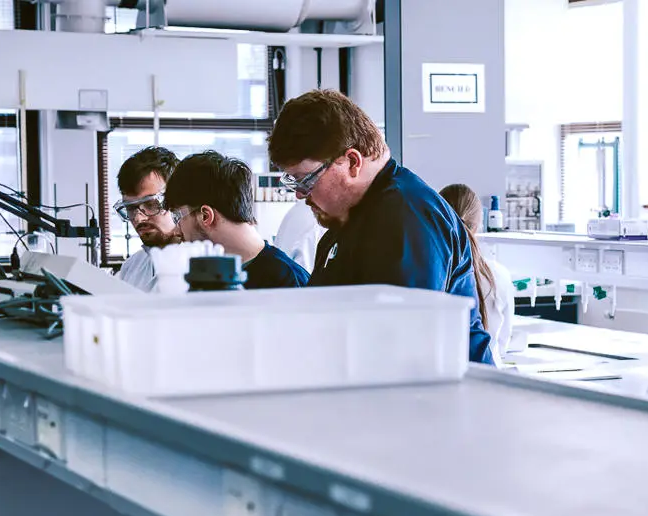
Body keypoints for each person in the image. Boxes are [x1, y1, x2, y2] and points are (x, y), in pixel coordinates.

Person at [267, 89, 493, 364]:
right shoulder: (353, 217)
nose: (300, 194)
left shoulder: (405, 218)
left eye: (305, 179)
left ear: (351, 162)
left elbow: (403, 347)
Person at [163, 150, 309, 289]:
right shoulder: (215, 277)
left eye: (177, 217)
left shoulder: (288, 283)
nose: (176, 231)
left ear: (206, 216)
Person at [438, 183, 513, 364]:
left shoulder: (434, 273)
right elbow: (503, 344)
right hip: (488, 376)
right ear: (479, 225)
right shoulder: (499, 275)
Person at [112, 146, 182, 292]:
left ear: (177, 201)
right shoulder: (130, 267)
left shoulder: (202, 266)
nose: (138, 218)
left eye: (151, 204)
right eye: (130, 208)